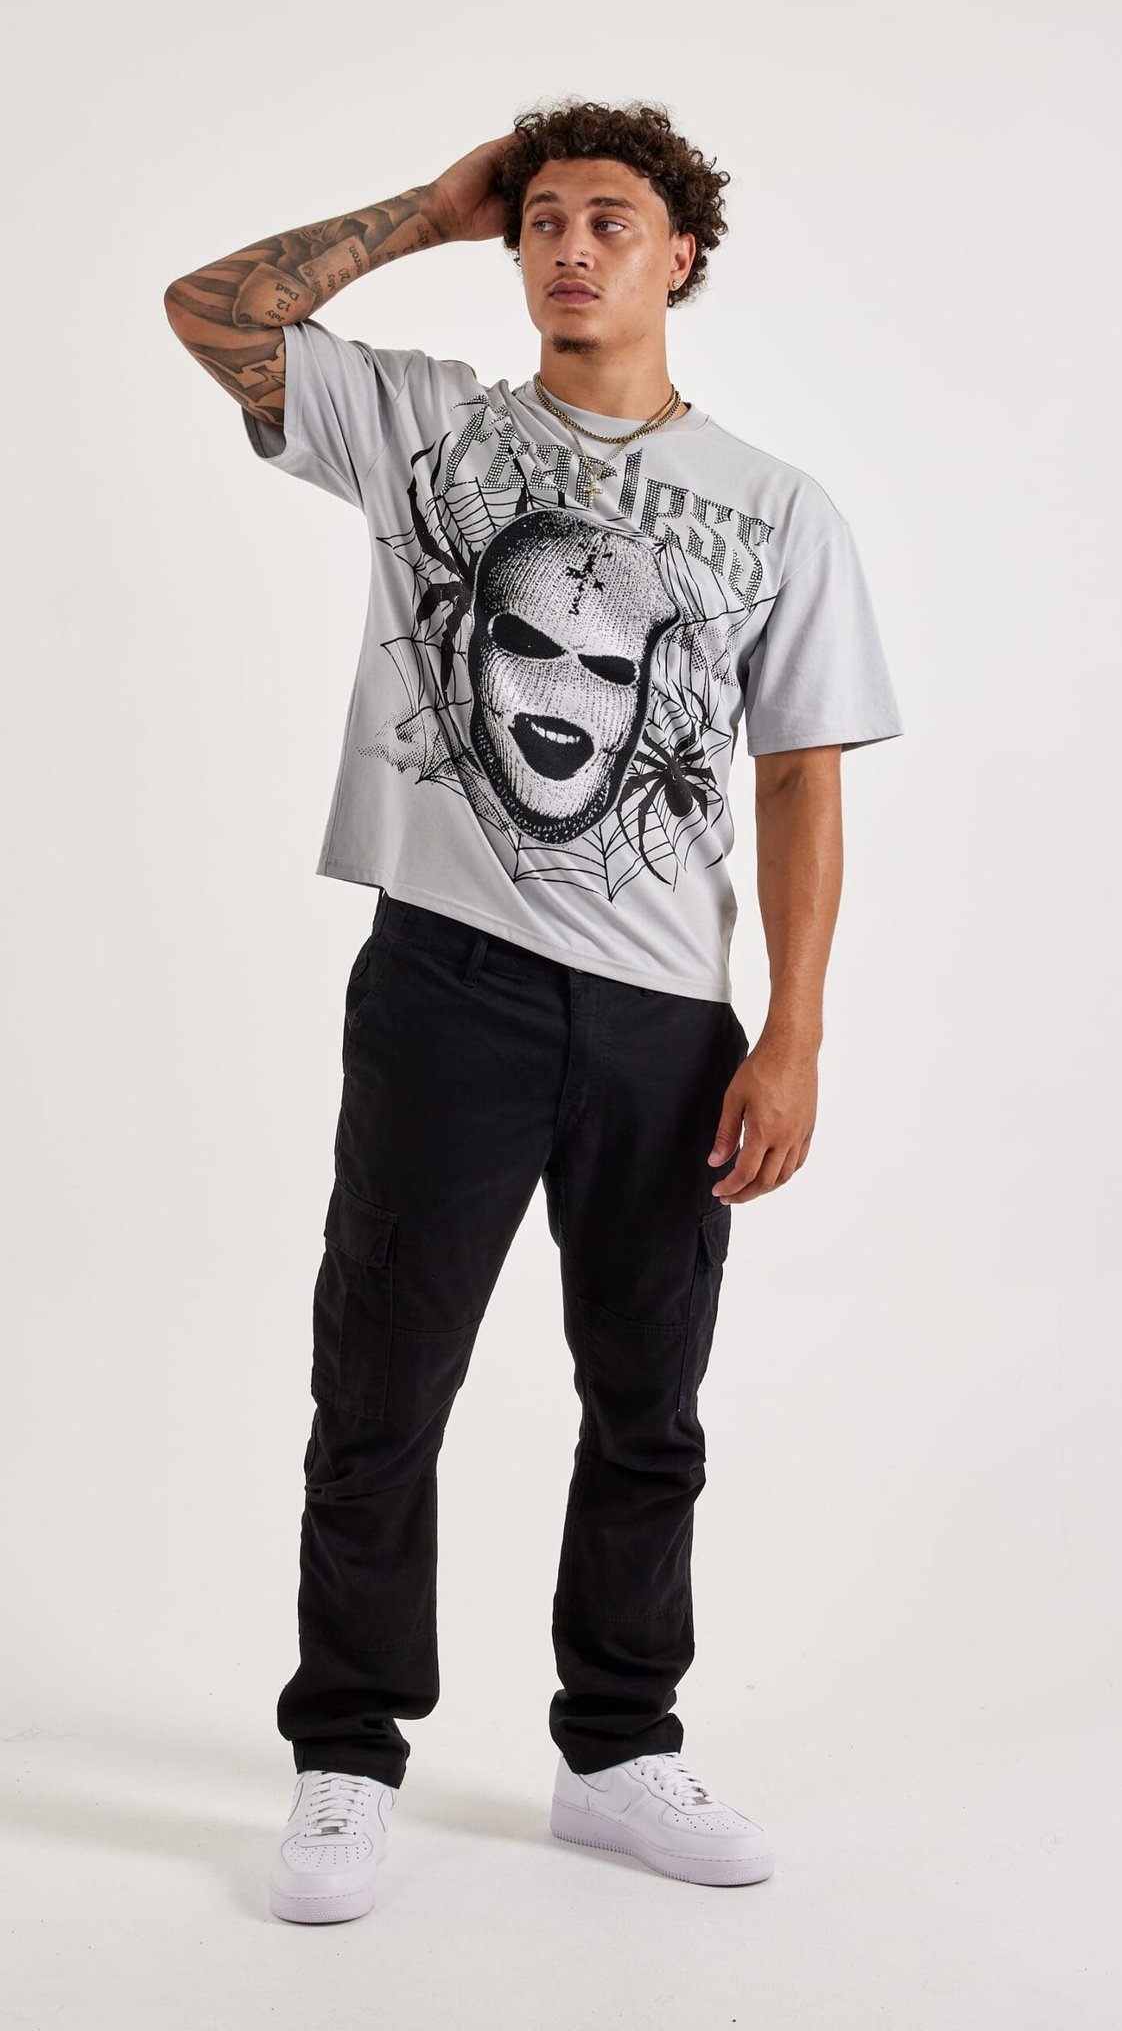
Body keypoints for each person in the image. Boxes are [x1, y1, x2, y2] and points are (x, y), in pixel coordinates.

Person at [163, 97, 903, 1924]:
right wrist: (429, 209)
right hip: (449, 985)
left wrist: (794, 1030)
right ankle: (348, 1758)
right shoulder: (428, 429)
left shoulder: (777, 510)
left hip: (666, 1019)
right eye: (546, 218)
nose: (574, 246)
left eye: (613, 219)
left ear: (682, 256)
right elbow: (210, 309)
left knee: (650, 1403)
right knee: (381, 1387)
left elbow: (801, 779)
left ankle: (620, 1749)